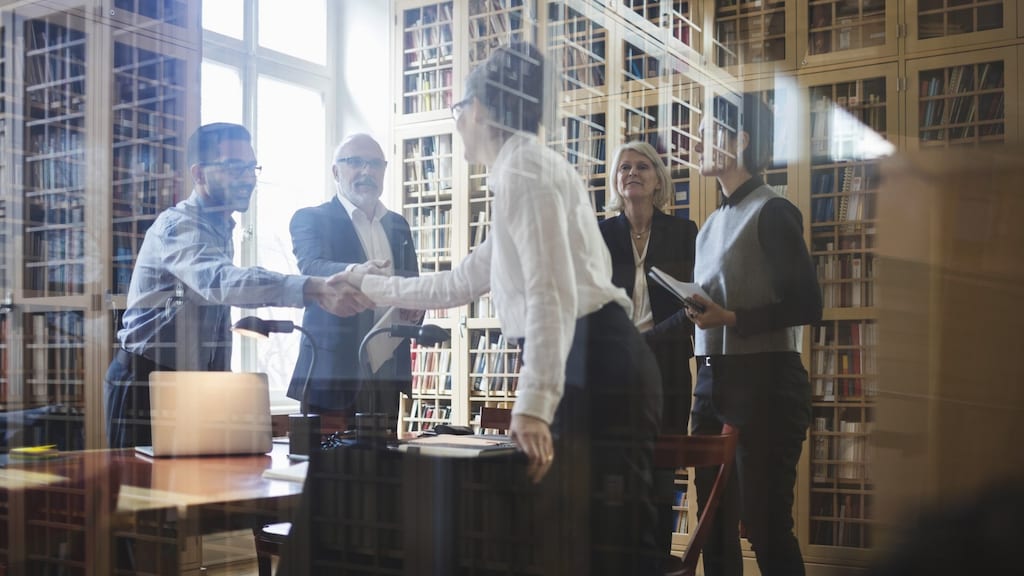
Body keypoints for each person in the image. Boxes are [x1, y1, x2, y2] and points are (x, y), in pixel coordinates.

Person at [341, 43, 662, 574]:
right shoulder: (521, 171)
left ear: (482, 109)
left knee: (608, 547)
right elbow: (459, 283)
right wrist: (370, 288)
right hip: (588, 360)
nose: (457, 123)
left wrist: (533, 405)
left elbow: (549, 293)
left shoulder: (525, 173)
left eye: (457, 109)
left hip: (595, 362)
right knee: (579, 544)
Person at [104, 122, 372, 449]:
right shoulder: (178, 226)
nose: (247, 178)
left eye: (250, 167)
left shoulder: (220, 228)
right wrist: (313, 287)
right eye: (234, 168)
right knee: (138, 495)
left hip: (194, 387)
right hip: (143, 385)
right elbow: (221, 282)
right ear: (199, 174)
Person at [684, 94, 822, 576]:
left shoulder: (773, 211)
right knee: (714, 527)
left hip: (766, 386)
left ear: (738, 141)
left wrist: (729, 318)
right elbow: (712, 310)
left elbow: (808, 305)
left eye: (706, 132)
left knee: (764, 527)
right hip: (712, 386)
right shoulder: (710, 226)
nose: (697, 140)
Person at [599, 139, 697, 561]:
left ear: (658, 180)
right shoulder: (600, 233)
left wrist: (645, 341)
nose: (632, 173)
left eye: (642, 167)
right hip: (612, 373)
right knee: (613, 475)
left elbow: (693, 306)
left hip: (667, 369)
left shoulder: (683, 232)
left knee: (659, 475)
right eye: (624, 168)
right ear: (616, 181)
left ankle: (655, 563)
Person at [287, 133, 420, 426]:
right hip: (333, 371)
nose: (367, 171)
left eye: (375, 164)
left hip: (388, 366)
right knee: (328, 468)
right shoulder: (311, 218)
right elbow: (311, 266)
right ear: (336, 171)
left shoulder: (398, 225)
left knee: (385, 465)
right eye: (355, 162)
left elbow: (413, 282)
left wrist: (416, 305)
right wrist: (355, 271)